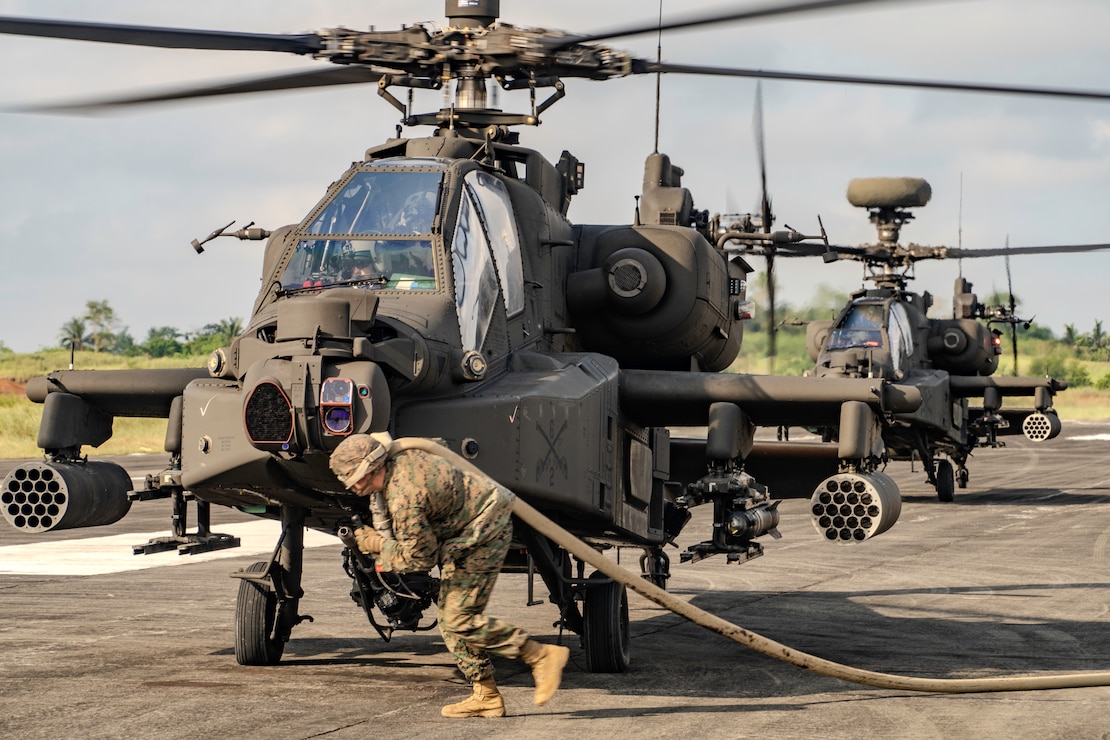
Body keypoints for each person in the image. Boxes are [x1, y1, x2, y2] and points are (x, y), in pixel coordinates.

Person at [329, 433, 570, 719]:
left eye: (353, 478)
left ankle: (540, 656)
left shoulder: (405, 496)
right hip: (463, 532)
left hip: (483, 531)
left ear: (370, 468)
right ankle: (487, 696)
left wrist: (377, 544)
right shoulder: (399, 461)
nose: (352, 486)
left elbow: (420, 557)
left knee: (460, 618)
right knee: (449, 619)